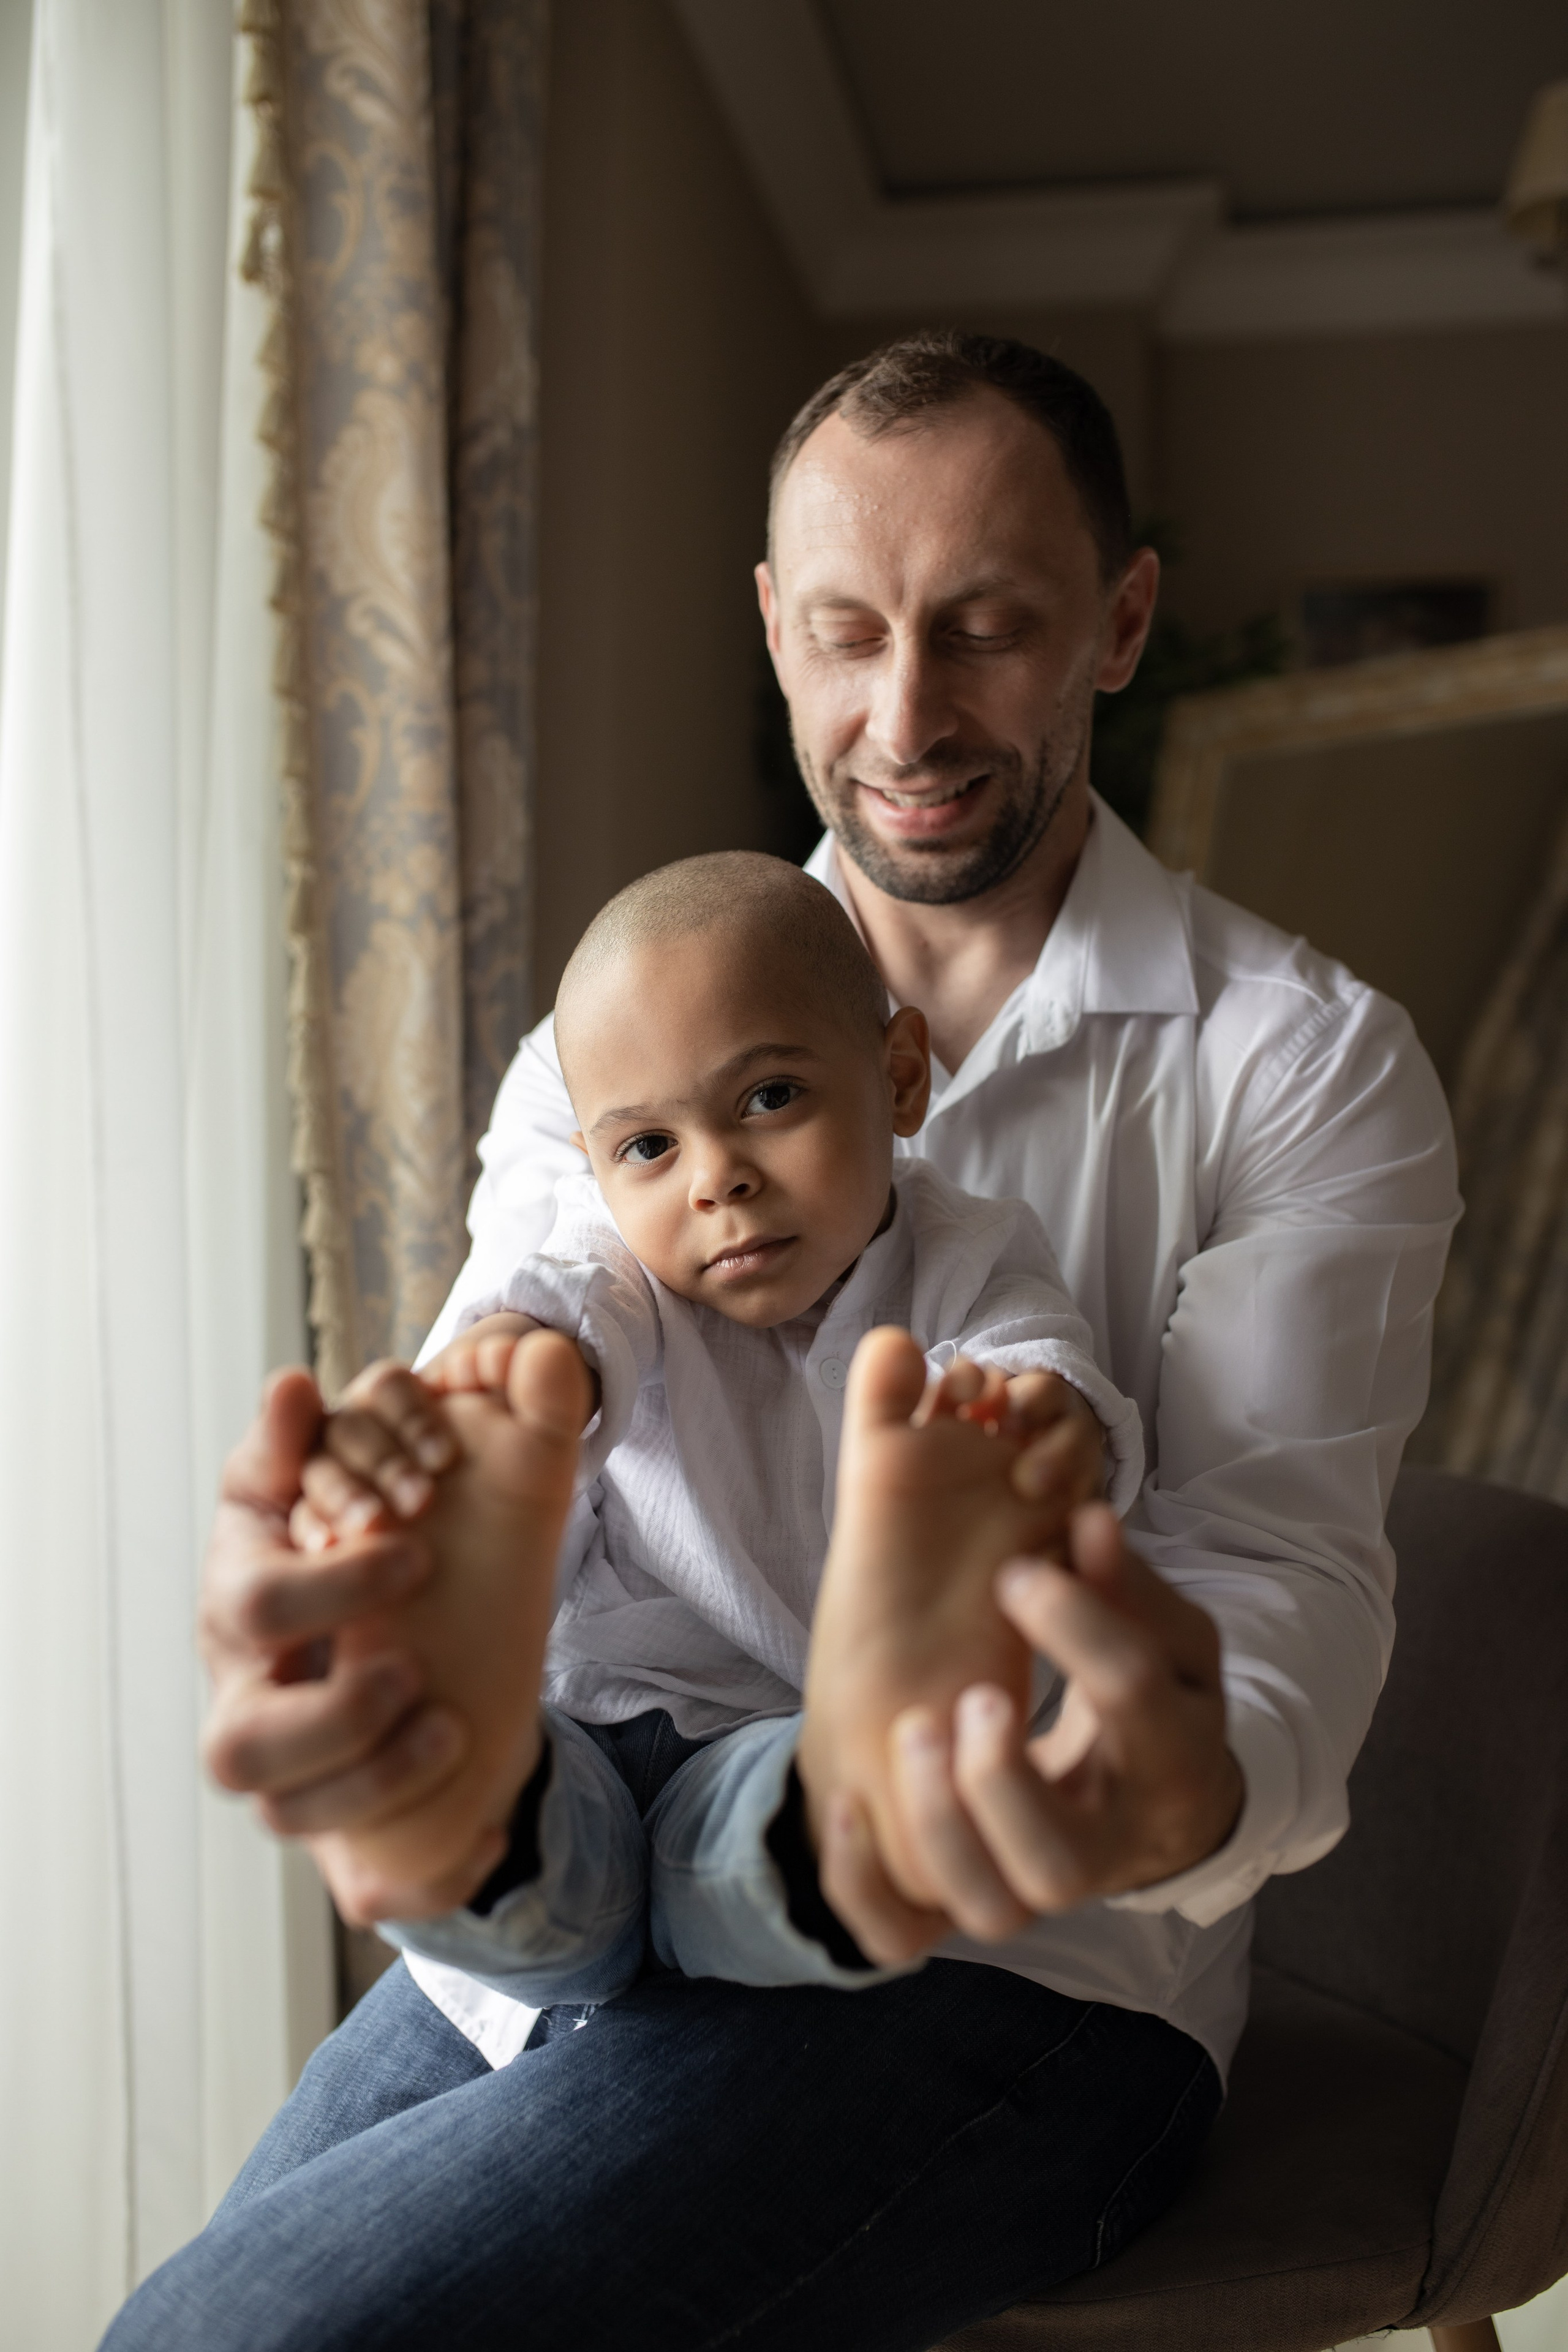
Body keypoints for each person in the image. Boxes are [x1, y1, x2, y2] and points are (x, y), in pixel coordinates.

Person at [107, 331, 1459, 2351]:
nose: (902, 714)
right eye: (843, 635)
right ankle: (485, 1842)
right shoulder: (612, 1037)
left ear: (1122, 618)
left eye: (990, 627)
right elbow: (523, 1367)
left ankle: (840, 1791)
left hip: (1025, 1981)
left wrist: (1161, 1786)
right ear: (771, 628)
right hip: (585, 1923)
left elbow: (1282, 1578)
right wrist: (401, 1549)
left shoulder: (1307, 1070)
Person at [288, 848, 1139, 2011]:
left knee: (781, 1846)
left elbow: (1040, 1365)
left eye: (771, 1099)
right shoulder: (623, 1267)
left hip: (777, 1748)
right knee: (537, 1881)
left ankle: (856, 1834)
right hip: (581, 1721)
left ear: (898, 1078)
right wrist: (518, 1381)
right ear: (596, 1163)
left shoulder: (966, 1255)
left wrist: (1031, 1436)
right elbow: (566, 1311)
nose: (716, 1181)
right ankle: (447, 1794)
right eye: (649, 1146)